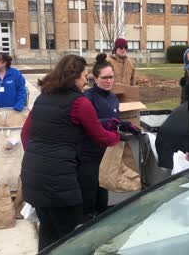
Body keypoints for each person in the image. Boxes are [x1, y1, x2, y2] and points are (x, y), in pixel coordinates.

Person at [20, 55, 120, 252]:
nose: (86, 80)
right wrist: (117, 136)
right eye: (84, 76)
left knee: (48, 234)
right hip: (60, 185)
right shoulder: (79, 103)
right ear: (73, 76)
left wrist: (39, 158)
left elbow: (25, 134)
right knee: (74, 240)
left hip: (33, 178)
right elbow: (100, 137)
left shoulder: (42, 98)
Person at [79, 53, 140, 220]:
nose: (109, 81)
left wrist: (125, 125)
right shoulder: (87, 98)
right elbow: (88, 124)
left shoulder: (113, 98)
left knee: (103, 199)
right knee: (89, 200)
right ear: (95, 78)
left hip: (107, 154)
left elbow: (115, 121)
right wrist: (108, 122)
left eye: (111, 77)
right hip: (89, 155)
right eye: (105, 78)